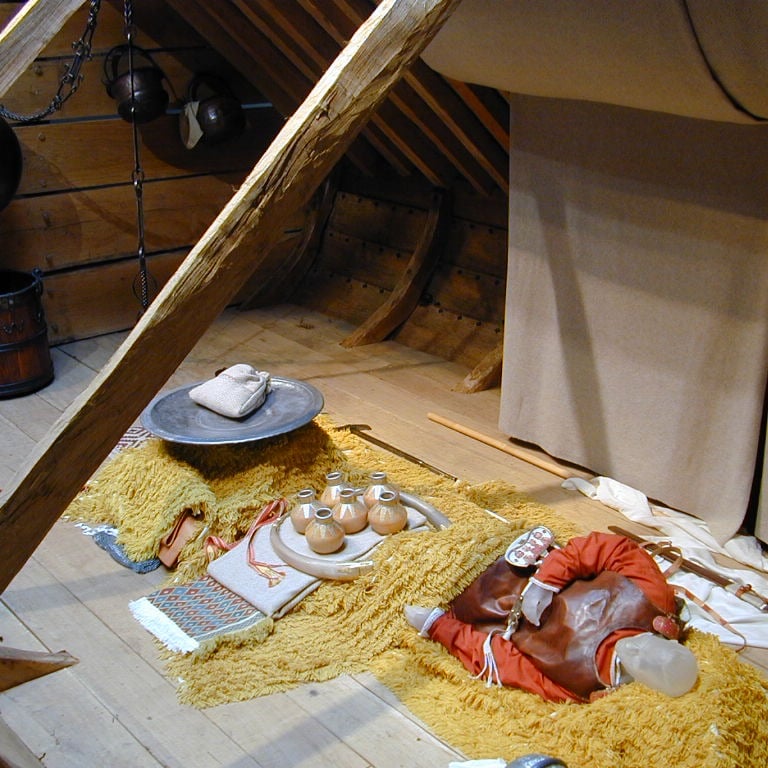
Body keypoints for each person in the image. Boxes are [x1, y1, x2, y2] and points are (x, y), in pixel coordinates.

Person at [405, 530, 698, 702]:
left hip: (474, 597)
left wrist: (439, 625)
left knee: (403, 552)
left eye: (640, 662)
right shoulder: (652, 599)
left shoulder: (578, 685)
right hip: (521, 552)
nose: (635, 647)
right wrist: (548, 580)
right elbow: (611, 548)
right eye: (651, 645)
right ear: (669, 640)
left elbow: (505, 663)